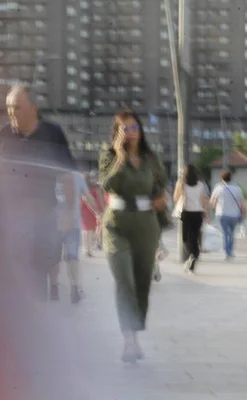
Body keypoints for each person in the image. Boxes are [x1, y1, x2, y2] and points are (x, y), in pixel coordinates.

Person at [0, 84, 77, 301]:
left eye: (17, 107)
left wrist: (68, 212)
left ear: (33, 108)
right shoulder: (1, 134)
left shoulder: (52, 133)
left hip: (42, 219)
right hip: (10, 219)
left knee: (37, 277)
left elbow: (67, 175)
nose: (11, 112)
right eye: (8, 107)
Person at [98, 108, 168, 363]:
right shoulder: (108, 155)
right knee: (124, 281)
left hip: (146, 226)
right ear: (117, 133)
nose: (131, 133)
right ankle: (128, 341)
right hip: (116, 225)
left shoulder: (151, 157)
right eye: (125, 128)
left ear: (141, 130)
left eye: (134, 127)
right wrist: (118, 155)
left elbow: (161, 183)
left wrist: (162, 198)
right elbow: (108, 184)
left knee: (141, 284)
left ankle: (134, 336)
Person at [49, 171, 100, 303]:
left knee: (58, 258)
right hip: (68, 225)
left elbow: (88, 197)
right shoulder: (75, 176)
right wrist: (99, 213)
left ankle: (56, 288)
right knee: (72, 258)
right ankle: (74, 288)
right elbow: (88, 197)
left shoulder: (52, 173)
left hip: (60, 225)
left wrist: (99, 213)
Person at [173, 164, 209, 274]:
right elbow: (203, 200)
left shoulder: (181, 183)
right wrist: (206, 214)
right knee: (195, 237)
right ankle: (194, 256)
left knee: (186, 238)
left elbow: (175, 197)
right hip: (198, 213)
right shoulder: (200, 185)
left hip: (186, 213)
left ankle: (191, 255)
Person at [210, 170, 245, 260]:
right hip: (235, 215)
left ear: (222, 178)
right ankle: (230, 251)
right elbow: (241, 203)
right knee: (231, 234)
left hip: (222, 214)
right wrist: (244, 212)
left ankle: (227, 252)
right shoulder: (237, 188)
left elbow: (212, 202)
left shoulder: (218, 188)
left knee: (226, 233)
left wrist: (214, 208)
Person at [80, 170, 105, 257]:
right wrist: (101, 210)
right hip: (93, 209)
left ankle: (87, 248)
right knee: (90, 230)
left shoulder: (83, 187)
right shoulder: (96, 187)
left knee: (86, 230)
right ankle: (89, 249)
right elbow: (100, 199)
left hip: (85, 210)